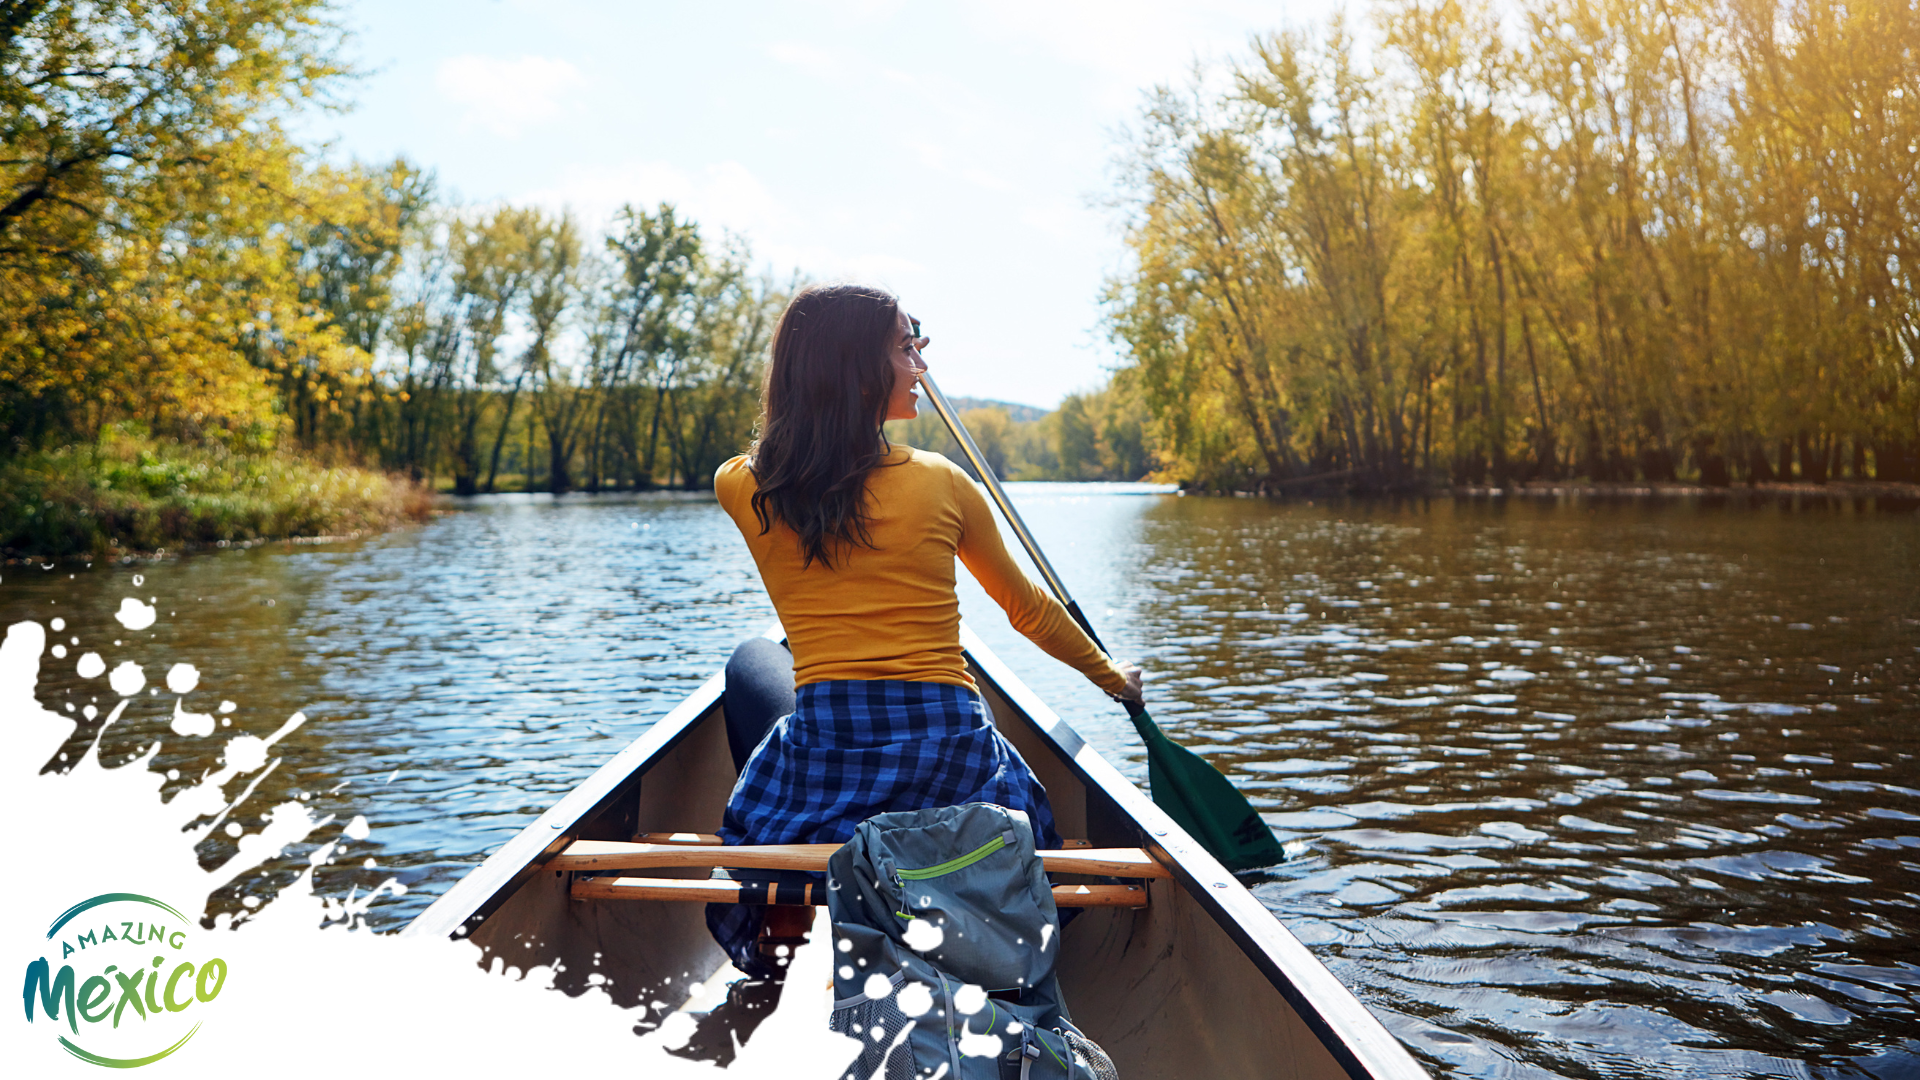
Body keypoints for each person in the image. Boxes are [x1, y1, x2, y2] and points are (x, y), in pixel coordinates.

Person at [707, 283, 1144, 976]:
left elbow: (774, 455)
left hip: (832, 757)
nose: (921, 367)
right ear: (857, 370)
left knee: (752, 662)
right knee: (971, 715)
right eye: (906, 348)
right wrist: (1112, 677)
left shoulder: (743, 485)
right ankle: (972, 898)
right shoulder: (943, 482)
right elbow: (1027, 609)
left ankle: (786, 894)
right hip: (952, 764)